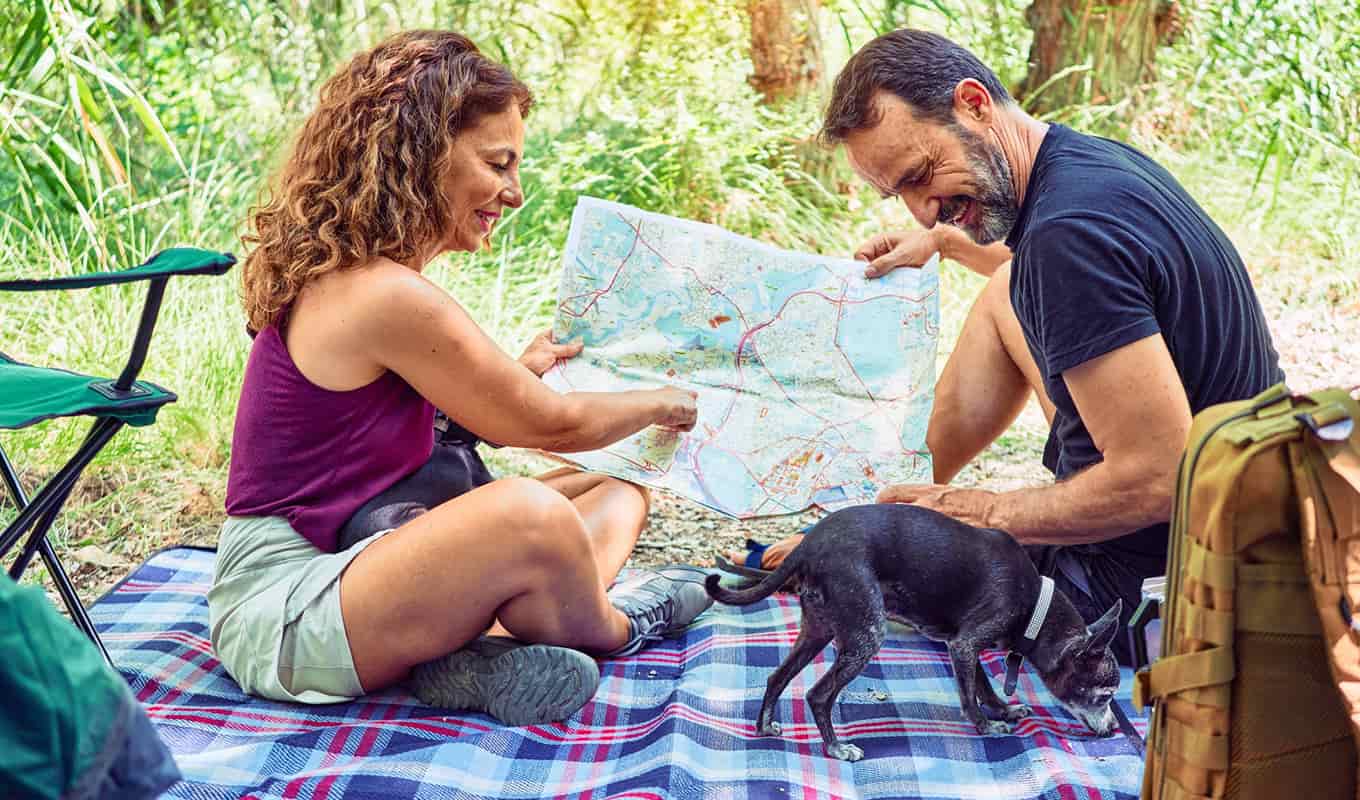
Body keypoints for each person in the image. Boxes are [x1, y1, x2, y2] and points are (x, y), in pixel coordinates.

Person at [211, 30, 712, 726]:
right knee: (528, 514)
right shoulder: (381, 292)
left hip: (371, 551)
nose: (514, 193)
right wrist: (663, 401)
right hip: (290, 608)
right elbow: (547, 424)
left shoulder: (373, 280)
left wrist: (515, 373)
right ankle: (622, 625)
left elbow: (431, 425)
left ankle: (474, 652)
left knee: (618, 479)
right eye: (498, 163)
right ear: (418, 152)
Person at [736, 28, 1283, 664]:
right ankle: (872, 518)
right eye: (900, 195)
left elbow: (1162, 477)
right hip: (1255, 521)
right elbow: (1072, 274)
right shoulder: (1089, 168)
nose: (923, 212)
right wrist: (946, 243)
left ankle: (885, 527)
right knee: (1004, 292)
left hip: (1164, 590)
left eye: (922, 176)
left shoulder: (1066, 238)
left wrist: (977, 511)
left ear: (973, 104)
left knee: (926, 577)